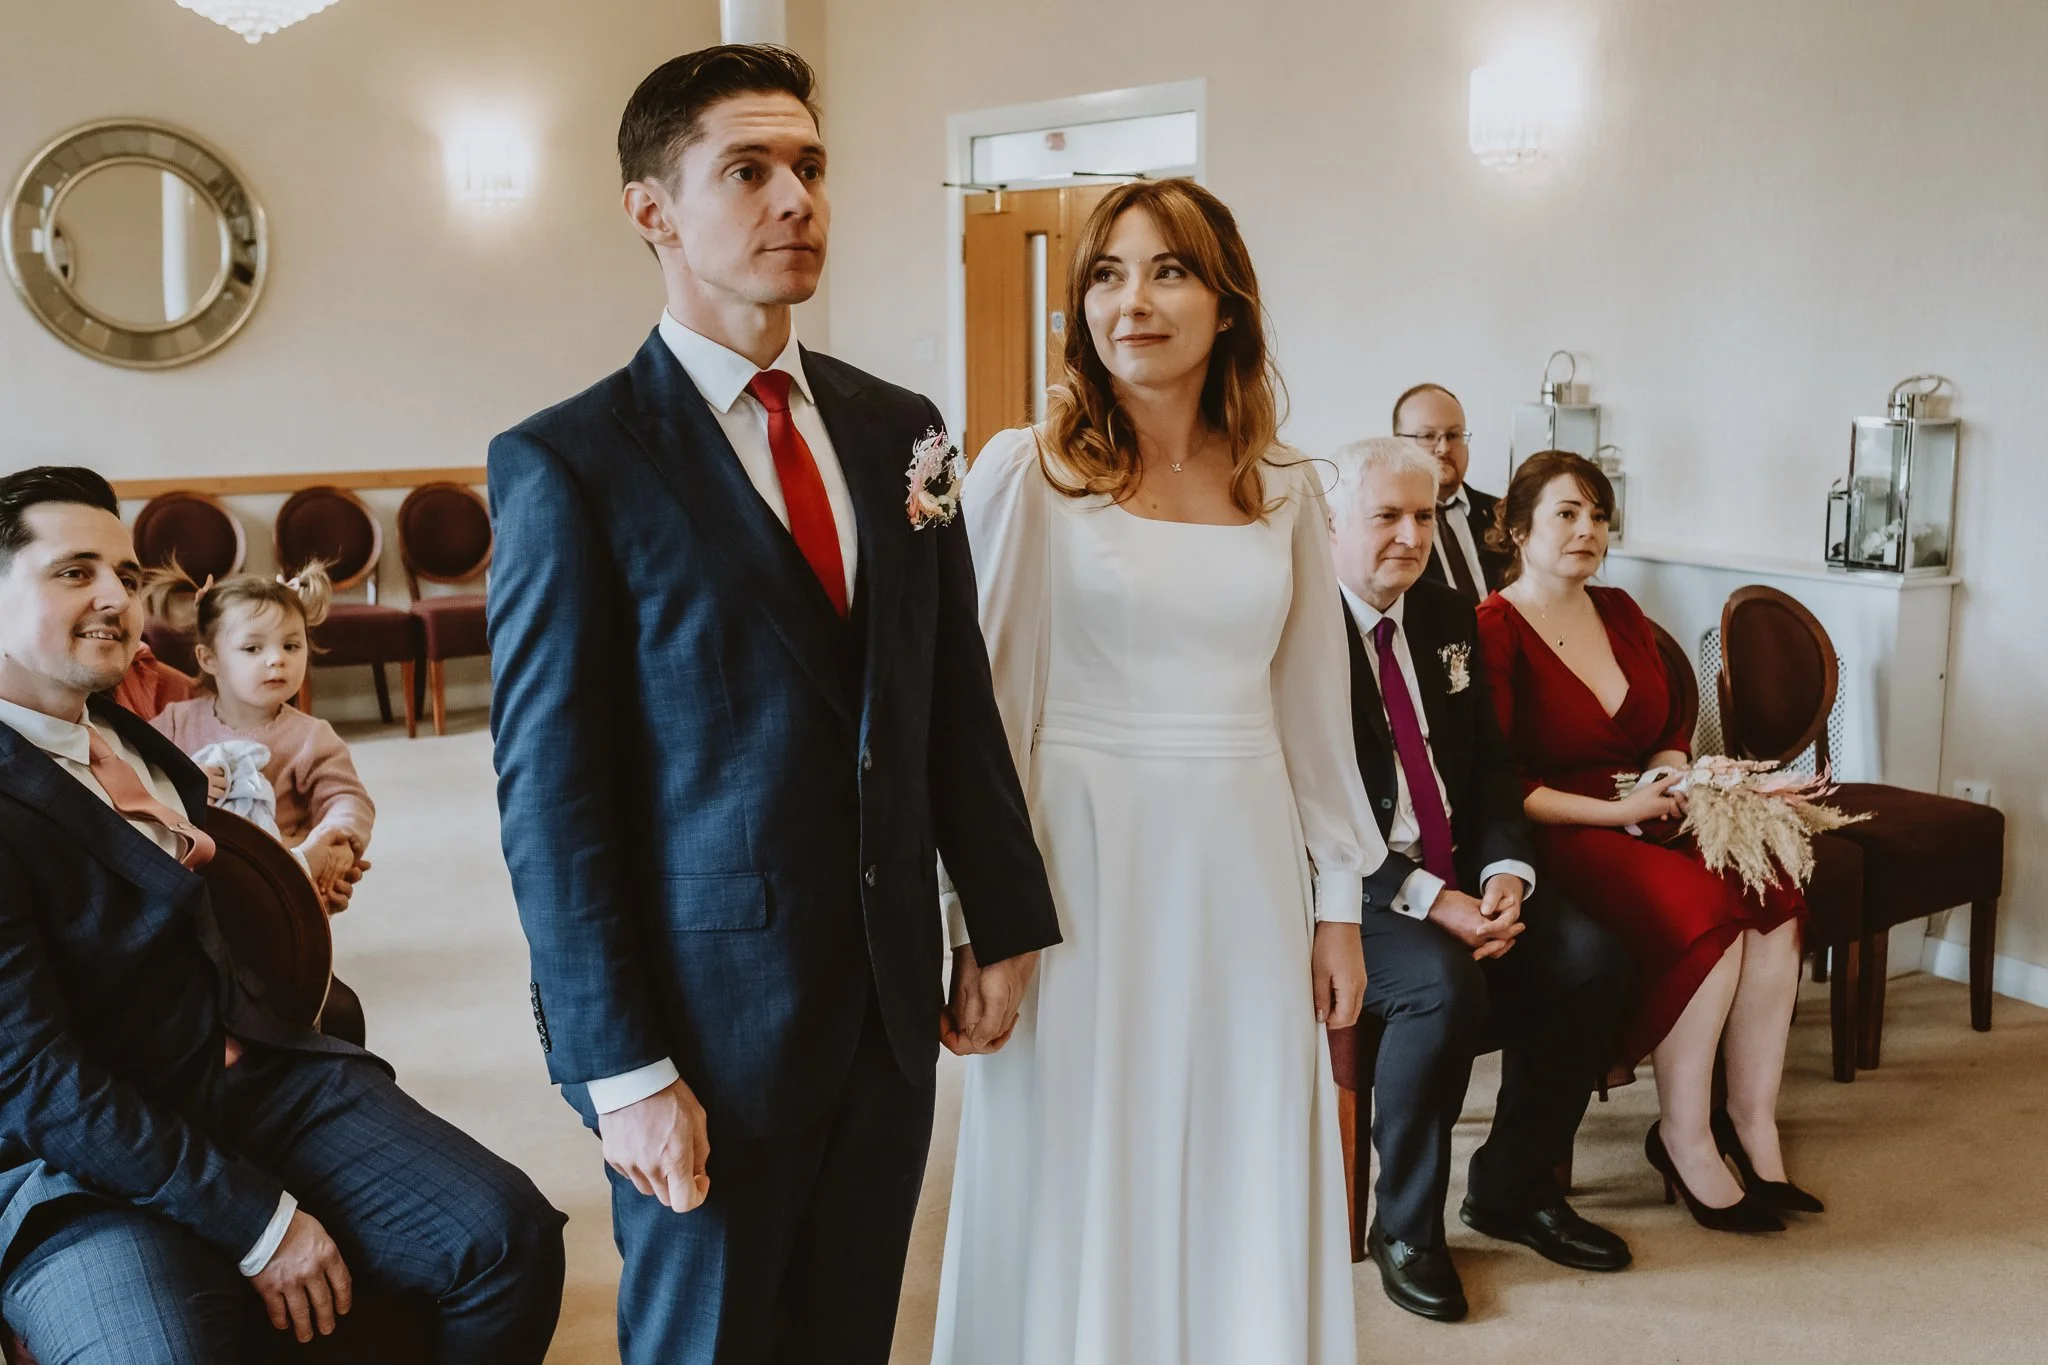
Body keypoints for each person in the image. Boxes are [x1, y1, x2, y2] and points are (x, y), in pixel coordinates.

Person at [487, 45, 1062, 1365]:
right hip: (706, 1026)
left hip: (885, 1000)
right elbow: (552, 802)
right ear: (651, 210)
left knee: (848, 1334)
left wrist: (999, 915)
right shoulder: (570, 462)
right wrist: (623, 1070)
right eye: (747, 170)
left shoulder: (900, 428)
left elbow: (947, 694)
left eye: (808, 166)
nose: (796, 197)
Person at [932, 178, 1382, 1365]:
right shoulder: (1027, 474)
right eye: (1105, 274)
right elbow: (980, 722)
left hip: (1241, 867)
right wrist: (981, 921)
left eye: (1167, 271)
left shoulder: (1284, 487)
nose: (1131, 301)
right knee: (1084, 1148)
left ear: (1225, 303)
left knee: (1239, 1137)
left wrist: (1339, 902)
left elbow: (1311, 713)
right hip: (1079, 865)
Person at [0, 465, 564, 1363]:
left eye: (125, 573)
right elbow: (39, 1084)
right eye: (75, 571)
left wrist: (292, 892)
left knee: (507, 1238)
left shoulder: (135, 735)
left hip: (250, 1078)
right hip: (73, 1158)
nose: (116, 597)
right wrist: (260, 1221)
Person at [1321, 437, 1634, 1322]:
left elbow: (1491, 764)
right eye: (1387, 516)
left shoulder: (1447, 611)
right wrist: (1430, 899)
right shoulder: (1300, 627)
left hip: (1458, 865)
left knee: (1594, 959)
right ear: (1334, 525)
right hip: (1351, 887)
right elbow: (1308, 806)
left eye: (1424, 516)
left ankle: (1512, 1185)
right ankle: (1405, 1226)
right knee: (1442, 984)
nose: (1410, 536)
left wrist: (1505, 871)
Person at [1475, 450, 1819, 1234]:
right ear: (1519, 529)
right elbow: (1499, 779)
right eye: (1567, 513)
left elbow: (1666, 727)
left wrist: (1673, 778)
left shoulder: (1621, 609)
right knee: (1704, 910)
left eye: (1598, 515)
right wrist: (1615, 811)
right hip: (1563, 829)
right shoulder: (1495, 627)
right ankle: (1683, 1135)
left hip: (1648, 806)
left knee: (1775, 890)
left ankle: (1751, 1119)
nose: (1588, 529)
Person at [147, 563, 374, 914]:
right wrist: (183, 781)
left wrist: (335, 839)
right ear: (209, 658)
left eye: (291, 645)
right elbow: (135, 778)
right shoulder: (176, 721)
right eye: (253, 648)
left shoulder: (311, 737)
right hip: (195, 881)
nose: (276, 659)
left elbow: (347, 797)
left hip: (277, 887)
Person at [1391, 383, 1508, 599]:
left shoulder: (1502, 513)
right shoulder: (1387, 525)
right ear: (1398, 444)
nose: (1444, 448)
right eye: (1428, 436)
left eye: (1454, 435)